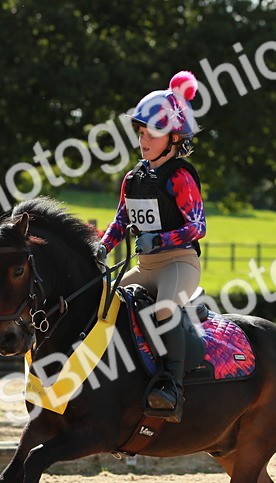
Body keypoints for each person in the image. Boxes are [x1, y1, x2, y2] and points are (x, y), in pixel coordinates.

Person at [96, 71, 205, 423]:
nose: (143, 140)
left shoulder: (180, 177)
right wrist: (101, 247)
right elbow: (119, 221)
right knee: (104, 308)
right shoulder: (133, 178)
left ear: (174, 138)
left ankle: (172, 387)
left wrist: (159, 239)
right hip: (145, 268)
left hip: (179, 263)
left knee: (162, 310)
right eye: (141, 133)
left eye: (152, 134)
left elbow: (197, 227)